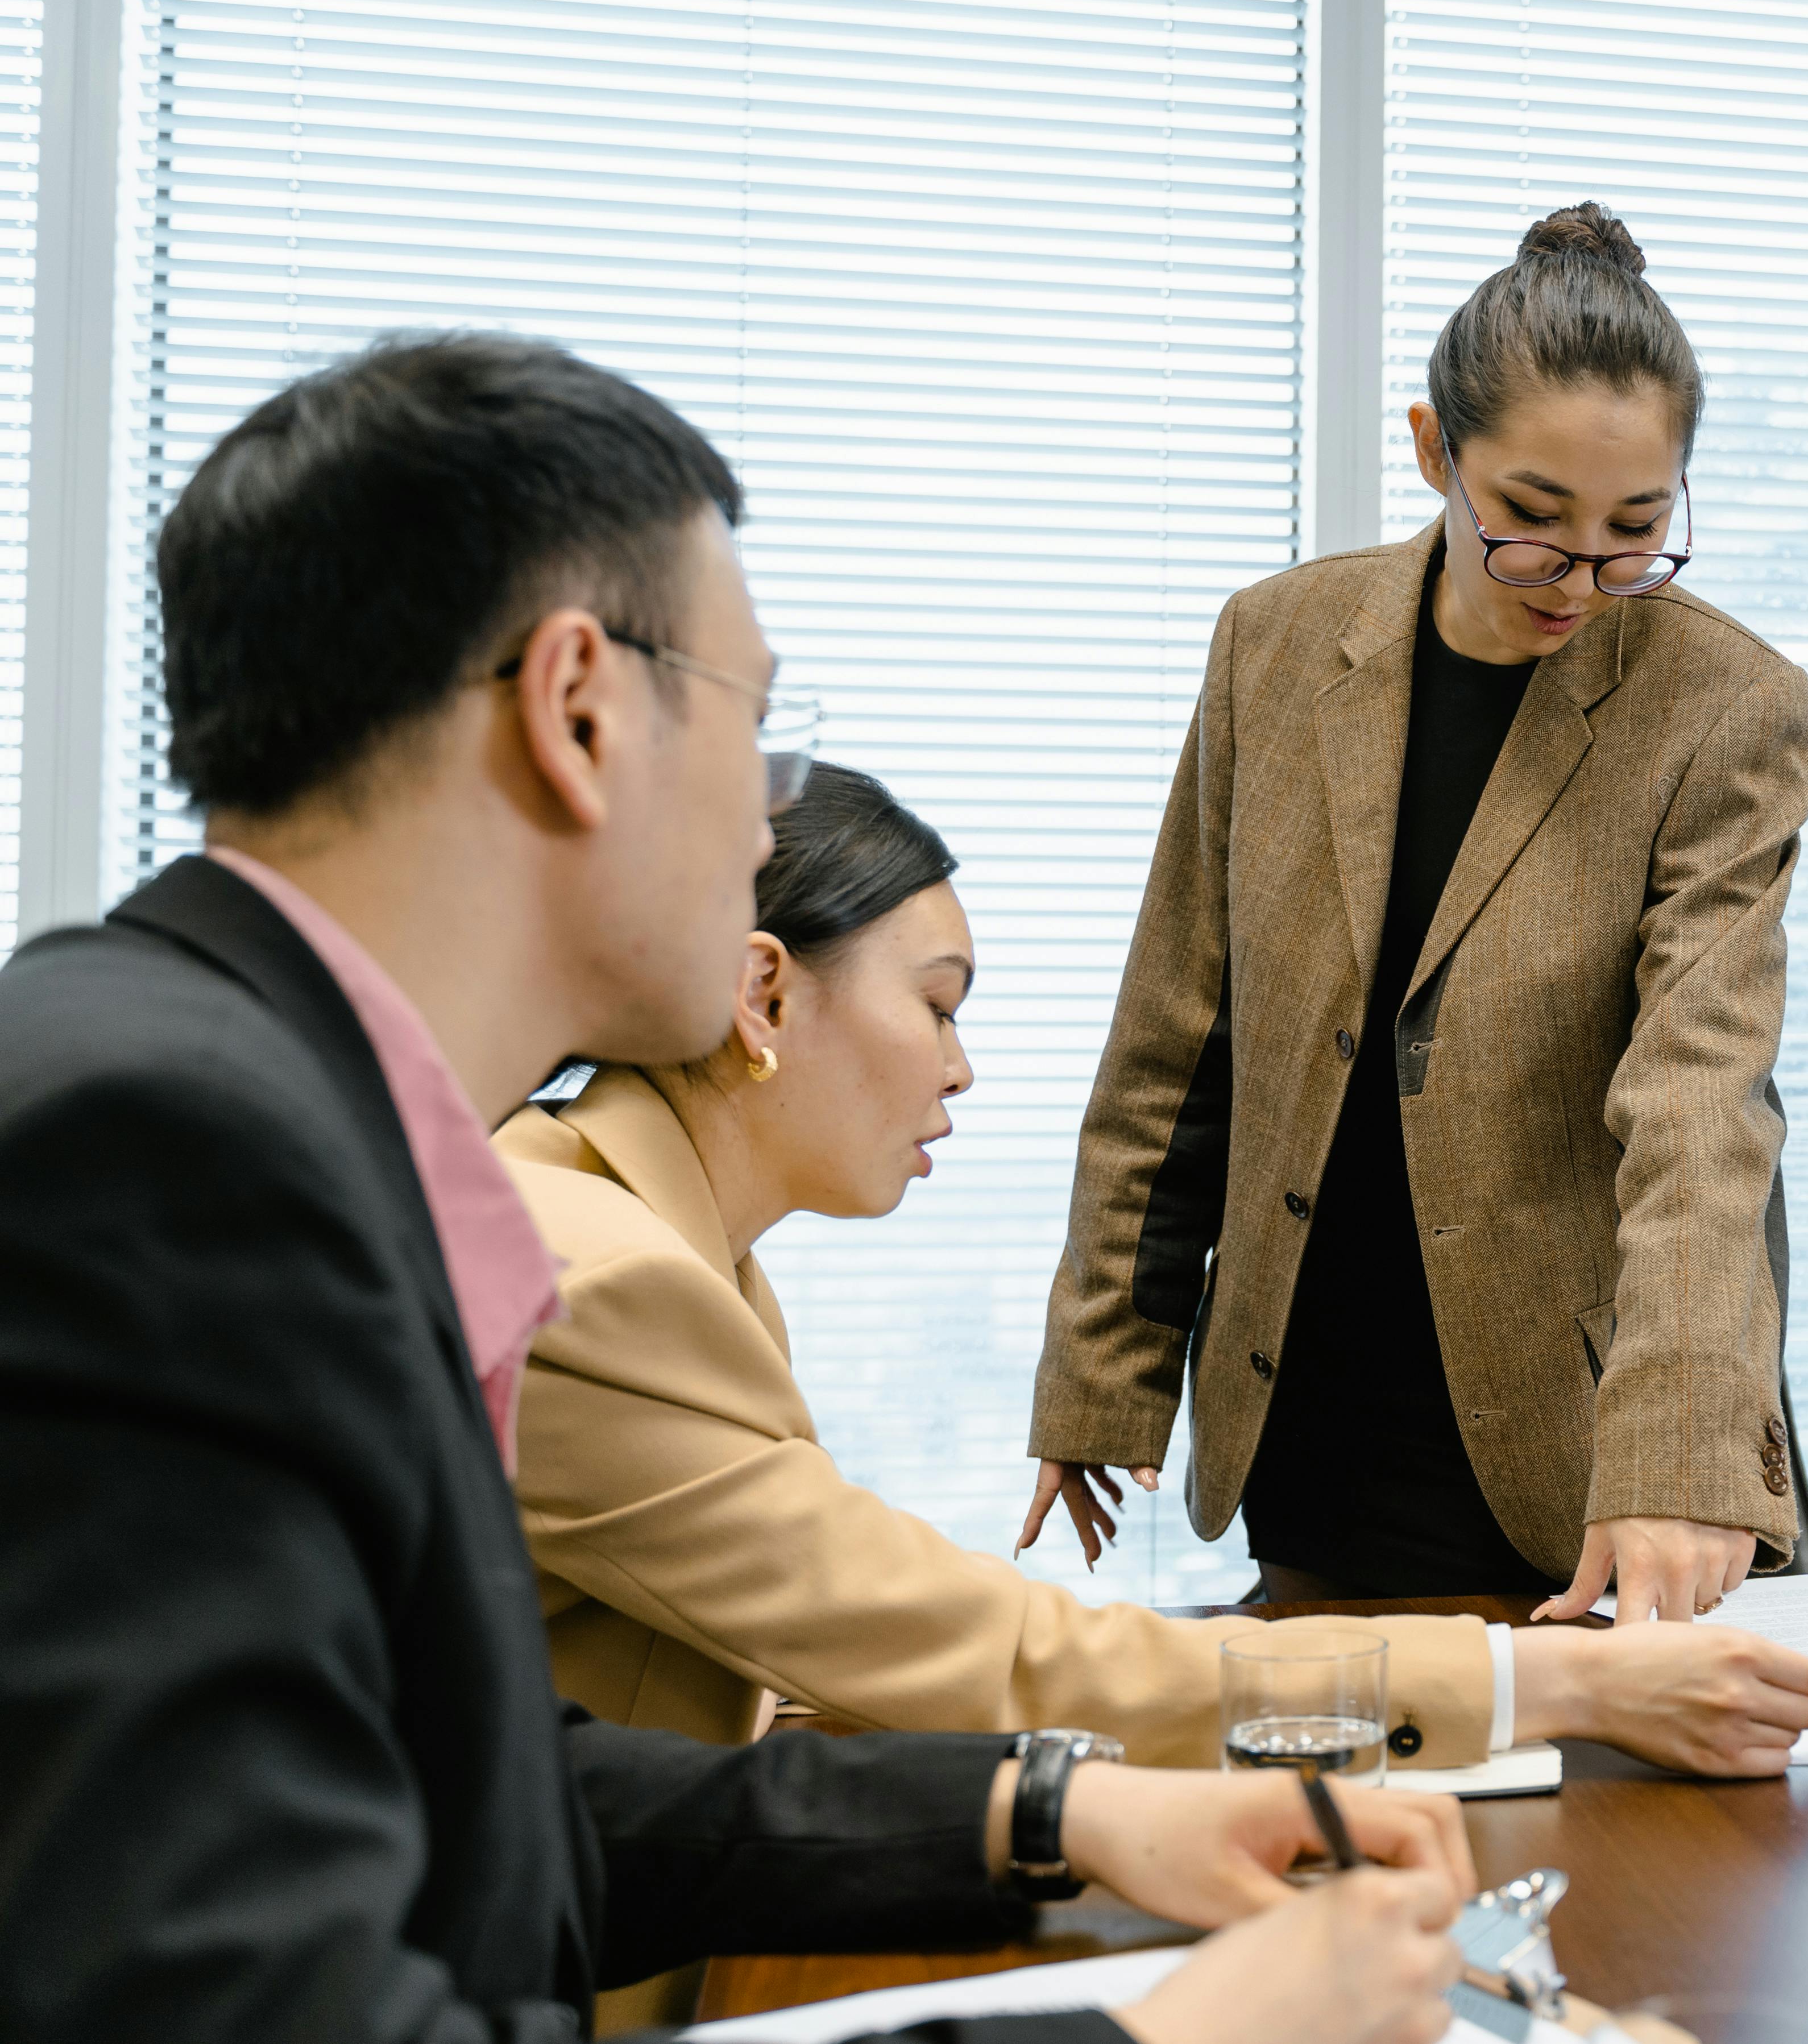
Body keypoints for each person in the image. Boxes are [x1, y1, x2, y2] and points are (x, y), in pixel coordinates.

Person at [0, 331, 1471, 2044]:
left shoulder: (257, 1105)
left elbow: (455, 1790)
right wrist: (1169, 2036)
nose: (768, 813)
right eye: (759, 730)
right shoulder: (169, 1160)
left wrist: (1049, 1810)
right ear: (576, 710)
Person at [500, 761, 1808, 1784]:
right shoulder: (600, 1277)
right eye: (938, 1003)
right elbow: (995, 1655)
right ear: (764, 993)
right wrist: (1558, 1683)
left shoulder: (643, 1229)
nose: (959, 1066)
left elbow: (800, 1661)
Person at [1023, 202, 1808, 1627]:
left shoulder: (1724, 707)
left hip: (1594, 1471)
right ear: (1432, 450)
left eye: (1636, 532)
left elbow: (1703, 1098)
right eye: (1530, 523)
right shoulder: (1273, 649)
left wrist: (1682, 1448)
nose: (1582, 579)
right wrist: (1103, 1374)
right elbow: (1176, 1041)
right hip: (1318, 1422)